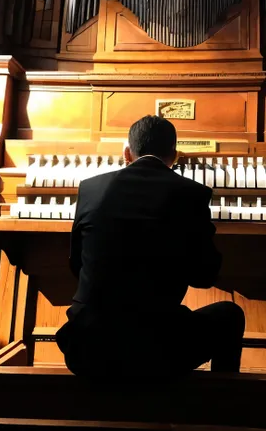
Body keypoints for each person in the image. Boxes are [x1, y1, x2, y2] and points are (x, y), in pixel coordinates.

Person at [56, 115, 245, 379]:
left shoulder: (90, 188)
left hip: (86, 347)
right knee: (230, 316)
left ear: (127, 153)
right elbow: (204, 276)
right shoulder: (192, 194)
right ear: (174, 155)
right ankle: (221, 412)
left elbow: (76, 265)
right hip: (155, 353)